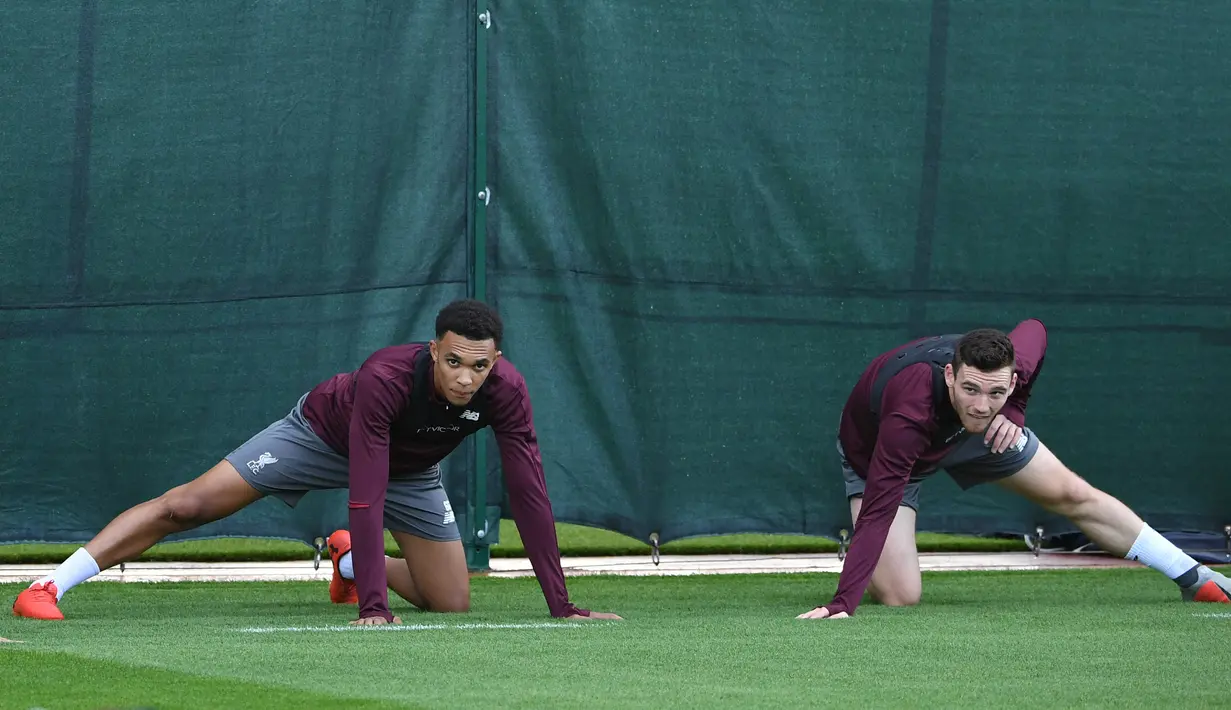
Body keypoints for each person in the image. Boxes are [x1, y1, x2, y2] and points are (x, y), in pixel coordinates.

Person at [14, 299, 621, 624]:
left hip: (411, 469)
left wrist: (561, 604)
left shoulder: (505, 391)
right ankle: (48, 586)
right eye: (454, 361)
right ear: (433, 350)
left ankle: (352, 562)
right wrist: (376, 612)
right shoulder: (386, 376)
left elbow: (529, 493)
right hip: (320, 436)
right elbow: (365, 491)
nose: (466, 378)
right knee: (188, 505)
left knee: (452, 602)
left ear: (497, 361)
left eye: (480, 366)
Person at [798, 319, 1230, 620]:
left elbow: (1035, 330)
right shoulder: (908, 415)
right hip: (884, 456)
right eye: (970, 388)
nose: (982, 403)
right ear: (950, 375)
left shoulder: (999, 388)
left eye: (996, 392)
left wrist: (1016, 410)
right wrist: (842, 603)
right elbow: (878, 511)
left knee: (1071, 493)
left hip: (975, 437)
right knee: (900, 596)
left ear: (1010, 379)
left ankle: (1195, 576)